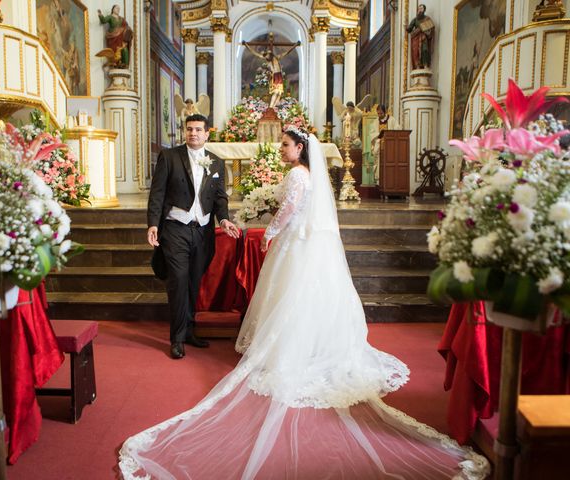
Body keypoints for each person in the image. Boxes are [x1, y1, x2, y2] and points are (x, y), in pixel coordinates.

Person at [119, 126, 490, 479]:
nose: (280, 149)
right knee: (309, 296)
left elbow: (289, 210)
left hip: (296, 242)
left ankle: (291, 350)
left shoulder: (298, 176)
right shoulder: (308, 175)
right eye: (281, 145)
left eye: (284, 145)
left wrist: (270, 234)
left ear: (300, 149)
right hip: (311, 243)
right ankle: (314, 346)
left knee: (291, 295)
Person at [146, 114, 240, 359]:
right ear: (184, 132)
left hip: (203, 232)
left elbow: (220, 197)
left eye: (198, 129)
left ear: (208, 133)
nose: (193, 133)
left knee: (192, 282)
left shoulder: (216, 163)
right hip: (175, 229)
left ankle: (188, 331)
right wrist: (153, 224)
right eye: (189, 129)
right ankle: (176, 339)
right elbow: (157, 194)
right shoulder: (169, 157)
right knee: (178, 280)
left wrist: (225, 219)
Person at [243, 38, 301, 109]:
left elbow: (287, 52)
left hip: (279, 76)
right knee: (276, 92)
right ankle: (271, 107)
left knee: (279, 93)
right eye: (266, 55)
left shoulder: (277, 58)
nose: (266, 56)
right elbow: (255, 53)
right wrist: (246, 45)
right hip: (274, 76)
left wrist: (295, 45)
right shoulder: (268, 61)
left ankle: (274, 107)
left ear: (270, 54)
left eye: (267, 54)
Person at [371, 104, 401, 183]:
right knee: (379, 164)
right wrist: (379, 134)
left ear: (385, 112)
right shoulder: (375, 121)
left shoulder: (392, 120)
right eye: (378, 113)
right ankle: (379, 181)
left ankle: (390, 181)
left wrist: (390, 134)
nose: (379, 115)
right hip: (380, 145)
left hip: (390, 146)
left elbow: (398, 129)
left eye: (381, 113)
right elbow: (372, 133)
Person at [406, 4, 435, 70]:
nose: (419, 10)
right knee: (416, 52)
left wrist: (428, 31)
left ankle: (425, 65)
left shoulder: (427, 19)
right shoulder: (415, 20)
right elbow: (410, 28)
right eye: (419, 9)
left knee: (425, 50)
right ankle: (417, 66)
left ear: (424, 10)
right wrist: (407, 28)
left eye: (421, 9)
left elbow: (431, 28)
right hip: (416, 38)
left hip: (423, 37)